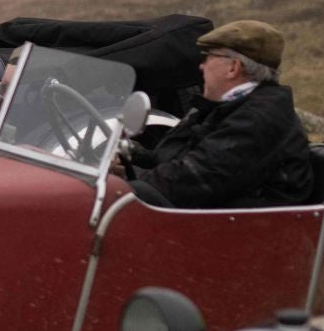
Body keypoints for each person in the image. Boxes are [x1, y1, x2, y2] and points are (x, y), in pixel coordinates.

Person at [123, 19, 312, 208]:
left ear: (233, 68)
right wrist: (131, 156)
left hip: (242, 229)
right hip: (212, 221)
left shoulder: (257, 119)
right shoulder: (229, 107)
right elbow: (179, 158)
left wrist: (122, 185)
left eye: (209, 57)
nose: (202, 66)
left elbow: (190, 181)